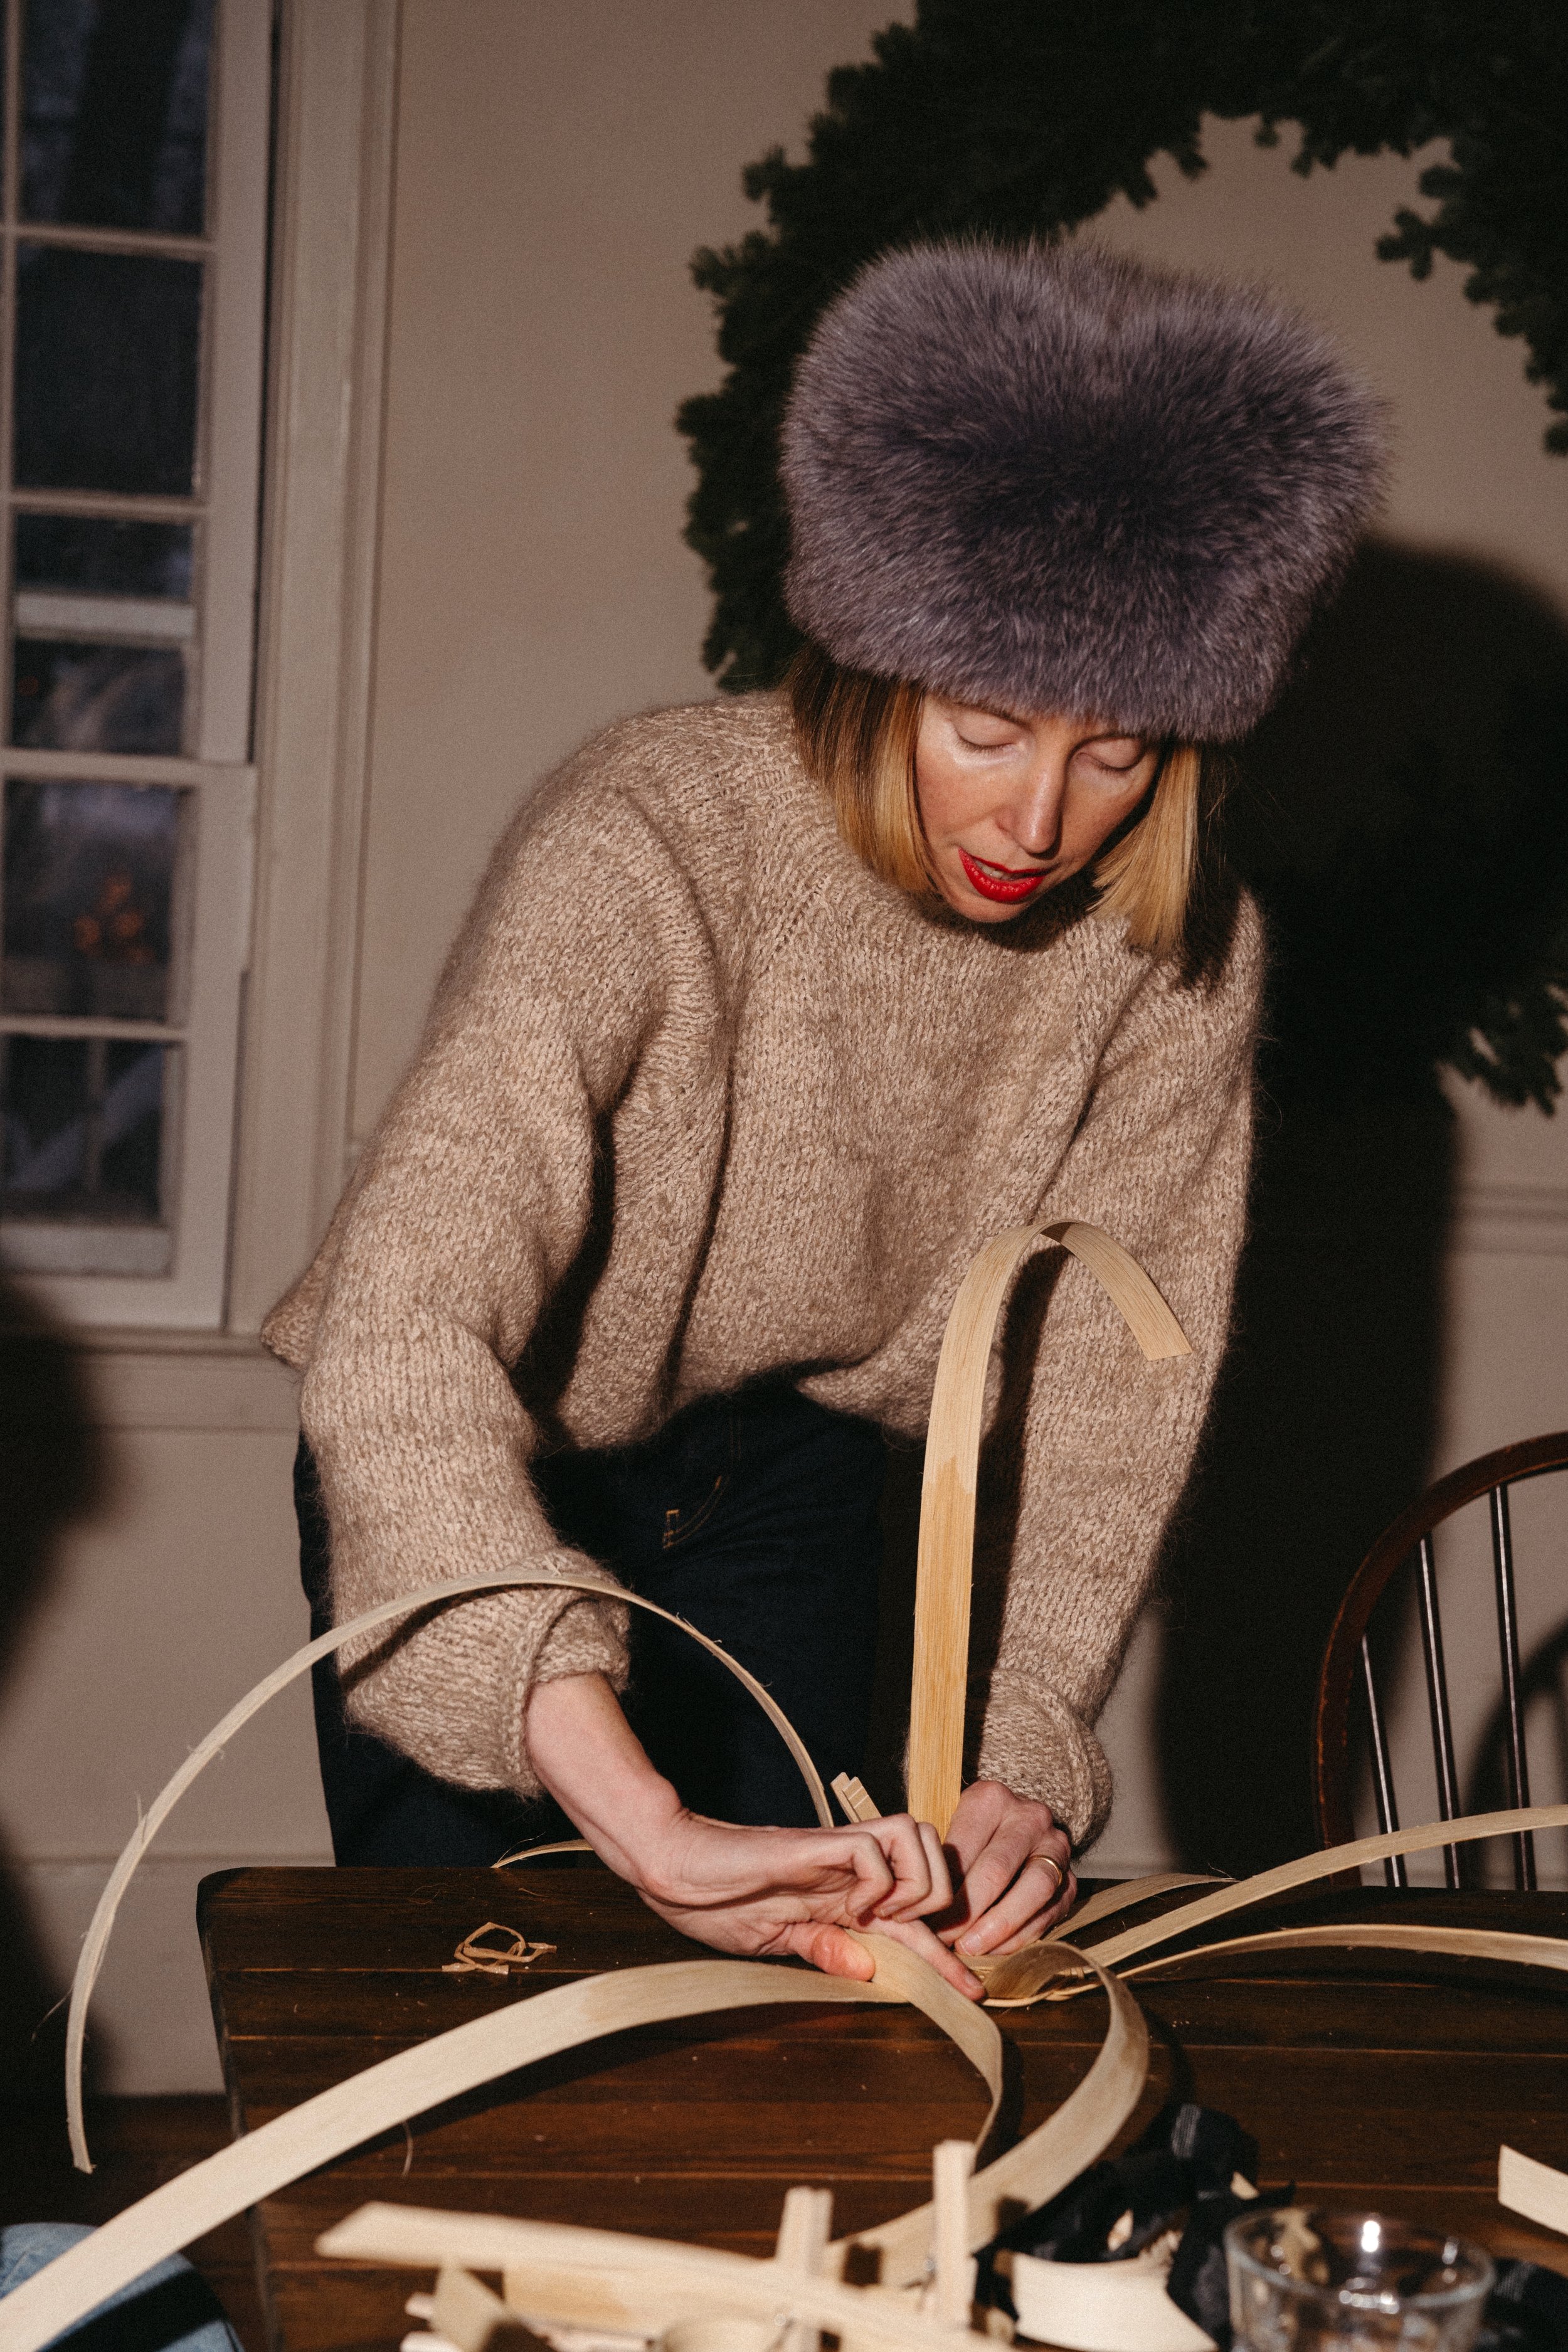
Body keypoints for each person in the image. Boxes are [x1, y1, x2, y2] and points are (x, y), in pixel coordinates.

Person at [265, 240, 1382, 1999]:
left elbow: (1107, 1393)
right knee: (481, 2002)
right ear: (877, 668)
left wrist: (1024, 1754)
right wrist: (633, 1813)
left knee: (773, 2017)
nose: (1042, 814)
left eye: (1122, 753)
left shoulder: (1183, 952)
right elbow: (404, 1330)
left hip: (798, 1482)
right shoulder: (647, 833)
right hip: (476, 1448)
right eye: (987, 725)